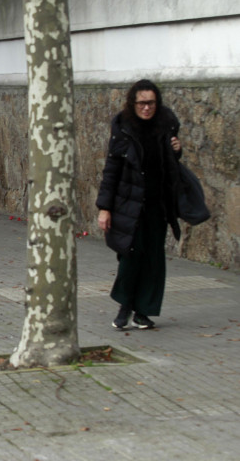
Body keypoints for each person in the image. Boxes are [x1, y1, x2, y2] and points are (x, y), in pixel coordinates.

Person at [96, 79, 183, 330]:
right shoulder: (123, 128)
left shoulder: (166, 125)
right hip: (128, 204)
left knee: (154, 259)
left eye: (151, 103)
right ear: (133, 103)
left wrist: (177, 151)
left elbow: (169, 167)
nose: (147, 108)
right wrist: (105, 207)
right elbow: (111, 169)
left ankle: (144, 311)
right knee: (130, 256)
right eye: (142, 103)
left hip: (157, 205)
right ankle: (125, 306)